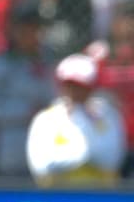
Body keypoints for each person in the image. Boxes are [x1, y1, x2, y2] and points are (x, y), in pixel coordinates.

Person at [26, 53, 127, 186]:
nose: (75, 91)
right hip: (57, 197)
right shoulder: (45, 119)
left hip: (100, 197)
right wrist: (84, 155)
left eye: (82, 86)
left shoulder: (108, 115)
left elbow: (111, 159)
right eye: (70, 85)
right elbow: (41, 164)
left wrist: (67, 153)